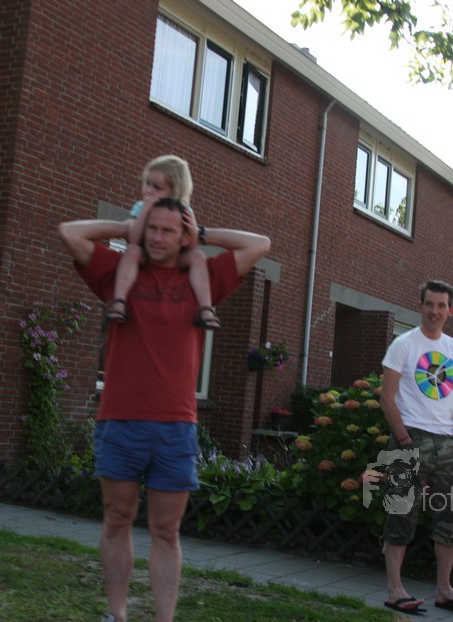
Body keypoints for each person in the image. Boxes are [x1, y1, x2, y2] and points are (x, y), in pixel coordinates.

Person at [58, 190, 270, 622]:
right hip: (120, 419)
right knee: (117, 518)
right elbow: (69, 232)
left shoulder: (203, 277)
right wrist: (127, 229)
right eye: (152, 229)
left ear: (182, 234)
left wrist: (202, 233)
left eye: (168, 231)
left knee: (165, 529)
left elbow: (259, 244)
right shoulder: (119, 272)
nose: (157, 238)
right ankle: (116, 614)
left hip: (175, 426)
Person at [379, 280, 453, 617]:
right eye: (429, 304)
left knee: (451, 517)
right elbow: (387, 398)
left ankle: (444, 589)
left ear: (450, 310)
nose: (434, 311)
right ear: (420, 305)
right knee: (400, 513)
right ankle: (394, 589)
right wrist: (404, 439)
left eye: (441, 306)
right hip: (409, 439)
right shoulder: (403, 344)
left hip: (447, 444)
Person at [105, 155, 220, 330]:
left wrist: (192, 229)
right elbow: (134, 239)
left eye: (157, 187)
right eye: (147, 183)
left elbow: (190, 245)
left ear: (175, 191)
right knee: (132, 251)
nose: (149, 191)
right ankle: (119, 302)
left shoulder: (184, 211)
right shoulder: (141, 206)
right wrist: (145, 211)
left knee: (197, 256)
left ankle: (206, 309)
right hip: (145, 253)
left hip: (175, 257)